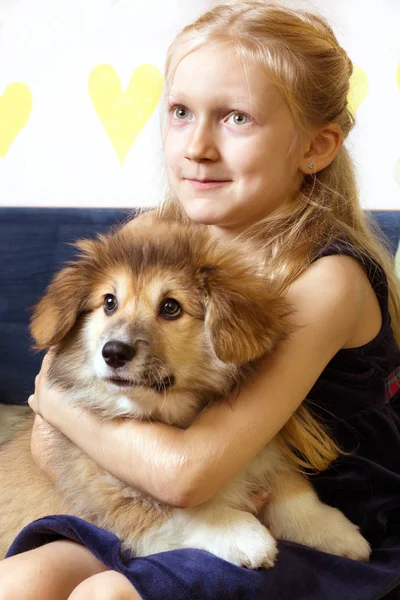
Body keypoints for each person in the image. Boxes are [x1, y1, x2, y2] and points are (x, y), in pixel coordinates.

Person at [1, 1, 400, 598]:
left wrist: (52, 404)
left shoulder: (327, 279)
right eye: (181, 113)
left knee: (103, 595)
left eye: (236, 118)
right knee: (21, 579)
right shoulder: (142, 241)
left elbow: (185, 474)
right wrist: (52, 410)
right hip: (160, 511)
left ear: (316, 147)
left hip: (309, 529)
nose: (197, 146)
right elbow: (46, 437)